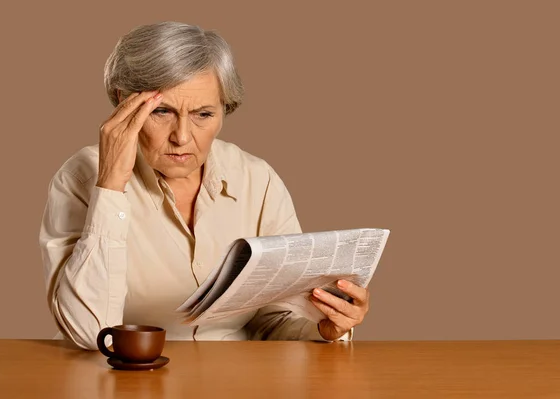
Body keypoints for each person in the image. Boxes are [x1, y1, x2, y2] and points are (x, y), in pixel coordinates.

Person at [39, 21, 370, 350]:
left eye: (203, 115)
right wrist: (110, 187)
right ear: (123, 101)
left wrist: (324, 327)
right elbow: (87, 333)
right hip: (123, 378)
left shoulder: (257, 179)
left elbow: (274, 319)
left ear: (225, 109)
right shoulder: (81, 178)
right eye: (163, 111)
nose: (182, 137)